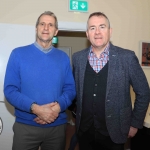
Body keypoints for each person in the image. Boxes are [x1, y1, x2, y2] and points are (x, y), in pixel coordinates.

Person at [72, 11, 150, 150]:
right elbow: (74, 91)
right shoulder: (78, 58)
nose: (97, 32)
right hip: (84, 132)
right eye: (92, 28)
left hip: (115, 133)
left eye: (102, 27)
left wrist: (135, 123)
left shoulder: (127, 58)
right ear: (87, 34)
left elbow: (144, 92)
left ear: (110, 31)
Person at [3, 11, 76, 150]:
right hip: (26, 127)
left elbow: (71, 89)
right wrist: (36, 109)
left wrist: (57, 108)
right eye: (42, 24)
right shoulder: (18, 54)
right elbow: (10, 90)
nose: (46, 28)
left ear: (56, 31)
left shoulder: (63, 58)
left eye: (50, 25)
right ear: (36, 28)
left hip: (57, 127)